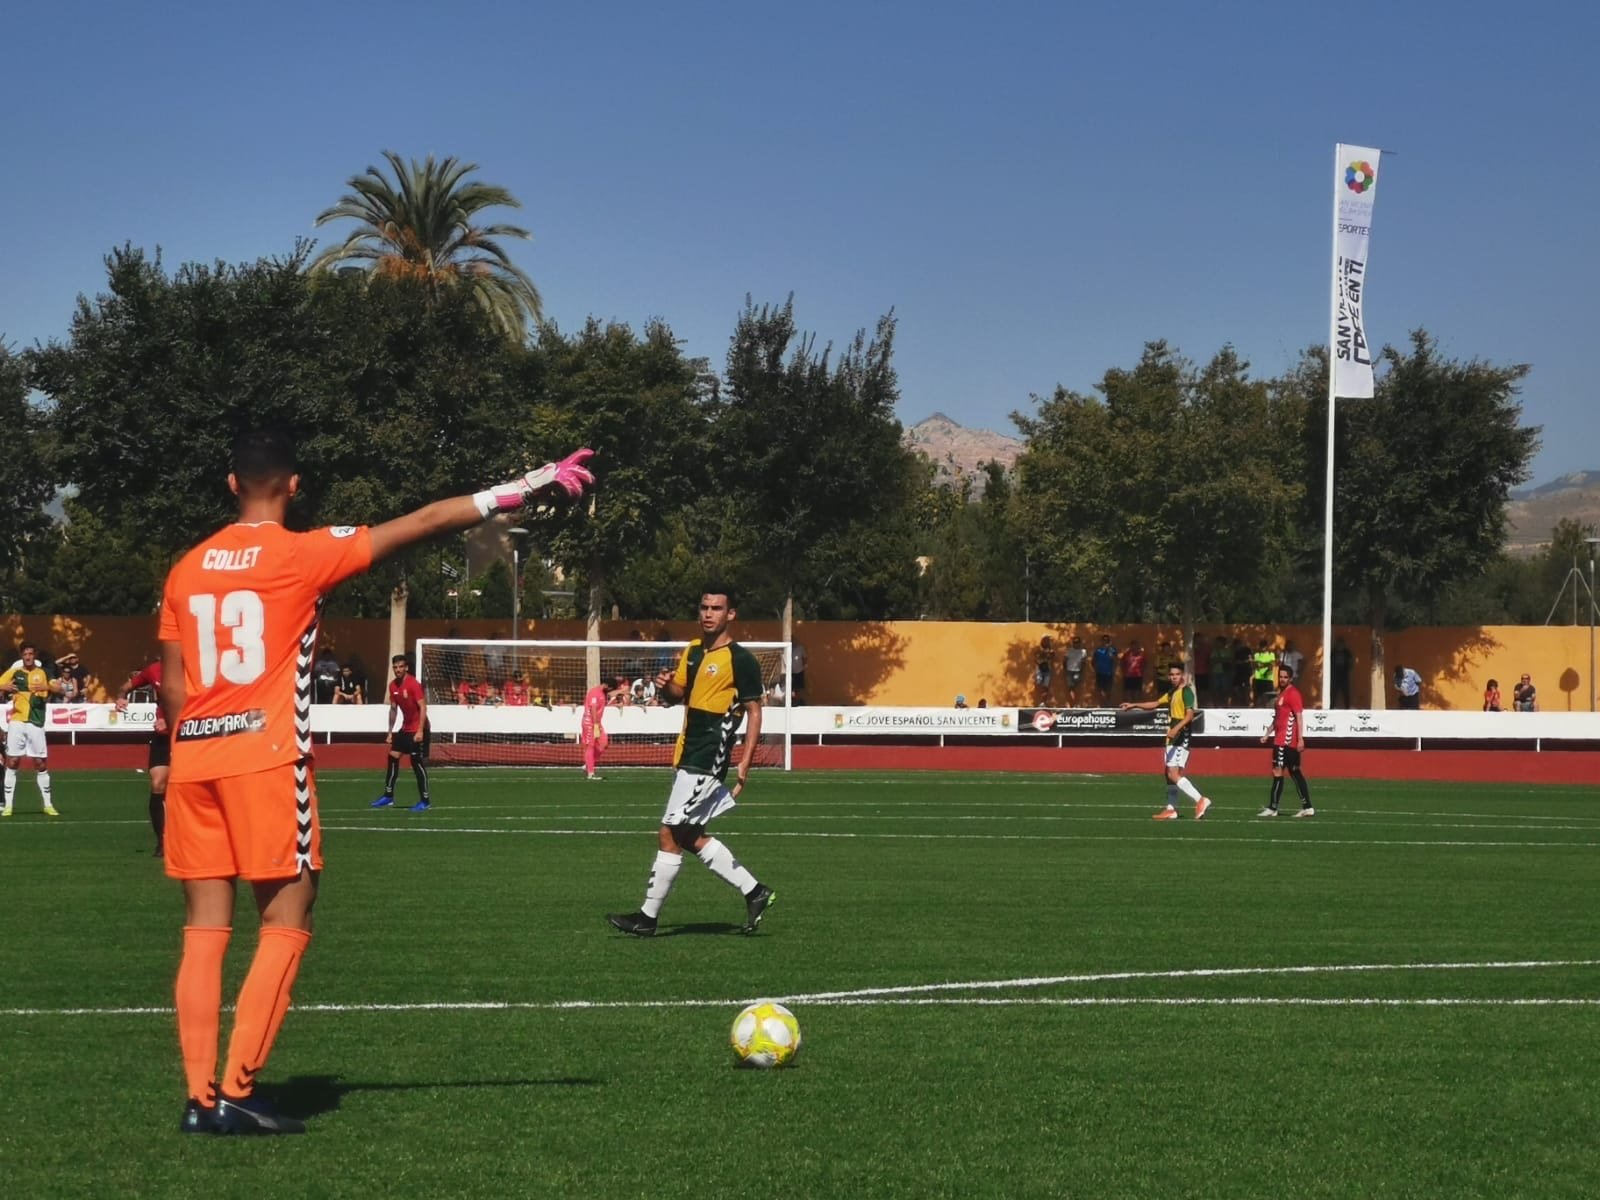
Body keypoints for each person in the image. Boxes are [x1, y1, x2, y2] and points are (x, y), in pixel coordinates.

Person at [157, 427, 593, 1136]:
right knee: (287, 918)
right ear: (293, 486)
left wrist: (187, 751)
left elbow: (174, 689)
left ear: (231, 483)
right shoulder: (302, 553)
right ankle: (237, 1089)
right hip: (265, 760)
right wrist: (523, 485)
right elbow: (421, 523)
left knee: (205, 930)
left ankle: (199, 1097)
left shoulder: (186, 568)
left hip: (195, 762)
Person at [607, 586, 775, 938]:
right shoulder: (694, 651)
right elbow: (675, 697)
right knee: (689, 835)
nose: (708, 613)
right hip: (688, 749)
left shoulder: (740, 659)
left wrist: (745, 761)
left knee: (668, 833)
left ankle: (647, 918)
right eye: (704, 607)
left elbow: (755, 711)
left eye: (717, 608)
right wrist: (665, 686)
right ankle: (755, 891)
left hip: (708, 754)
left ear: (731, 614)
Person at [1123, 663, 1211, 821]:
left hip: (1180, 734)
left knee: (1173, 773)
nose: (1173, 677)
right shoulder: (1172, 692)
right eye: (1171, 675)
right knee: (1168, 774)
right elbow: (1155, 704)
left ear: (1182, 675)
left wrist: (1176, 729)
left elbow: (1190, 715)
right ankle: (1171, 809)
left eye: (1176, 675)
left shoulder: (1186, 692)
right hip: (1172, 735)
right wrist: (1134, 705)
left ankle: (1200, 800)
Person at [1, 642, 63, 817]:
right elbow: (1, 683)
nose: (28, 657)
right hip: (17, 721)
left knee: (40, 763)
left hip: (36, 722)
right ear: (22, 655)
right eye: (25, 654)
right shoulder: (15, 671)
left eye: (30, 654)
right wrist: (3, 687)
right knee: (12, 762)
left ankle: (48, 805)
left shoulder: (44, 672)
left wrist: (47, 687)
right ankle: (9, 806)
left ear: (35, 655)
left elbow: (60, 688)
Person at [118, 659, 170, 853]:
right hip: (162, 737)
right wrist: (122, 696)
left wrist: (171, 722)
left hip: (188, 734)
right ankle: (162, 842)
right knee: (157, 784)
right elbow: (126, 686)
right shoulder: (154, 670)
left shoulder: (194, 670)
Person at [374, 655, 432, 811]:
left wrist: (420, 730)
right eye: (395, 667)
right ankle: (388, 796)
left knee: (416, 763)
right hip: (405, 728)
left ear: (406, 668)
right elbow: (393, 709)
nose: (397, 670)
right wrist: (390, 731)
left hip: (419, 729)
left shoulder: (413, 684)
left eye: (400, 666)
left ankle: (425, 801)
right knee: (393, 756)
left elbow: (423, 707)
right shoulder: (392, 686)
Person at [1258, 663, 1312, 818]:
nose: (1282, 679)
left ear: (1291, 678)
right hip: (1281, 740)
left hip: (1285, 742)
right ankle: (1307, 807)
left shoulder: (1293, 694)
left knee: (1278, 772)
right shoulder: (1281, 695)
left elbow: (1299, 716)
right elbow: (1278, 719)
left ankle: (1273, 808)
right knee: (1294, 772)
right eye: (1280, 676)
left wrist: (1301, 738)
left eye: (1285, 677)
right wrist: (1267, 734)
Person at [581, 683, 609, 780]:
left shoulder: (602, 693)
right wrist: (595, 724)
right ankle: (590, 773)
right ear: (606, 685)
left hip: (597, 723)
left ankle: (587, 764)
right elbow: (593, 708)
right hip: (590, 723)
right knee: (590, 746)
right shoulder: (594, 692)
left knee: (603, 744)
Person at [1063, 636, 1087, 707]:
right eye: (1074, 642)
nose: (1076, 644)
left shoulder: (1083, 651)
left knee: (1076, 687)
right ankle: (1073, 704)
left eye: (1077, 642)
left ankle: (1076, 703)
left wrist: (1082, 670)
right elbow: (1064, 660)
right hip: (1069, 671)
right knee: (1071, 688)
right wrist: (1065, 669)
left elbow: (1084, 662)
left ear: (1080, 643)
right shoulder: (1069, 651)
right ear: (1073, 643)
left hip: (1077, 671)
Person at [1251, 640, 1277, 706]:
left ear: (1267, 647)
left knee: (1269, 697)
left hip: (1268, 678)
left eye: (1264, 646)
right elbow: (1257, 664)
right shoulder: (1256, 655)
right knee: (1257, 697)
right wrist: (1267, 664)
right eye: (1262, 646)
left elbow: (1272, 664)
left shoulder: (1271, 654)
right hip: (1258, 678)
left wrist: (1263, 664)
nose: (1263, 648)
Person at [1330, 637, 1354, 708]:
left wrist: (1348, 668)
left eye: (1341, 644)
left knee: (1345, 692)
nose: (1340, 645)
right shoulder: (1333, 652)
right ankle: (1331, 707)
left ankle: (1347, 707)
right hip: (1335, 675)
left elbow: (1351, 661)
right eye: (1339, 644)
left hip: (1344, 675)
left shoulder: (1347, 652)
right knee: (1333, 692)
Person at [1033, 636, 1054, 700]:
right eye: (1046, 640)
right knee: (1039, 683)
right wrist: (1039, 663)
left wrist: (1050, 654)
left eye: (1048, 640)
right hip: (1040, 669)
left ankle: (1043, 701)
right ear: (1043, 641)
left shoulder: (1050, 650)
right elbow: (1035, 658)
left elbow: (1052, 657)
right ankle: (1039, 699)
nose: (1047, 641)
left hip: (1047, 669)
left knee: (1045, 686)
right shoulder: (1038, 649)